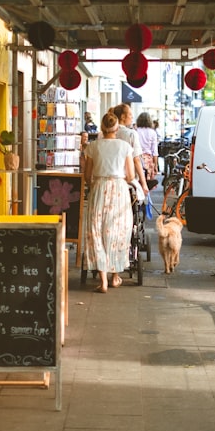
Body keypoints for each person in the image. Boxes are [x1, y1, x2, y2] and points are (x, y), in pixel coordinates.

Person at [83, 112, 135, 293]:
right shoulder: (125, 146)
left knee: (97, 232)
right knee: (118, 231)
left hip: (99, 188)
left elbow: (87, 176)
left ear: (102, 127)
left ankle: (103, 280)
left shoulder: (92, 146)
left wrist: (96, 183)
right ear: (117, 127)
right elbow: (130, 176)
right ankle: (115, 276)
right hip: (119, 190)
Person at [112, 103, 149, 199]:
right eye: (130, 114)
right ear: (123, 116)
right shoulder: (131, 134)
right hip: (127, 181)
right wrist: (144, 184)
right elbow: (136, 160)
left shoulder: (104, 134)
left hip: (109, 181)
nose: (132, 117)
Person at [134, 112, 159, 187]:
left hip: (136, 158)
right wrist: (155, 165)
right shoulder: (152, 132)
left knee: (137, 182)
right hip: (148, 160)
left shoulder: (135, 131)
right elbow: (154, 151)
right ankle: (146, 197)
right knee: (147, 184)